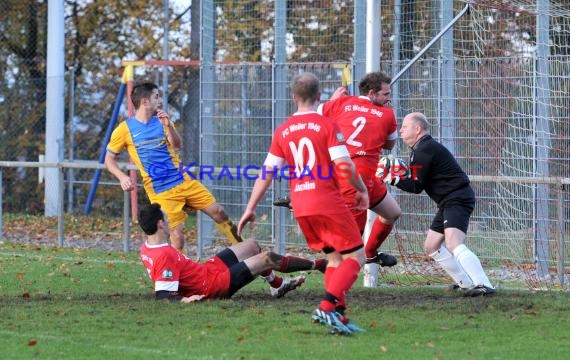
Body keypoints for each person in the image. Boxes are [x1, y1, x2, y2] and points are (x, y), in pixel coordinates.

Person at [238, 72, 369, 335]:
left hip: (302, 205)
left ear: (294, 97)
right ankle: (327, 306)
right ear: (319, 96)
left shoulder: (283, 130)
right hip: (327, 201)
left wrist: (250, 207)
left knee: (334, 259)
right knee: (356, 256)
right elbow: (344, 165)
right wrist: (361, 189)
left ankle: (337, 317)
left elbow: (267, 173)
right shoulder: (326, 125)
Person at [105, 82, 242, 252]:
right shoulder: (124, 129)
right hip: (161, 190)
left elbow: (177, 145)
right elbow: (109, 159)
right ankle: (179, 276)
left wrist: (169, 126)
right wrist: (122, 177)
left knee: (219, 212)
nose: (160, 101)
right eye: (156, 96)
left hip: (182, 179)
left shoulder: (163, 121)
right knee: (177, 236)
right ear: (144, 101)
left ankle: (243, 248)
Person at [388, 112, 495, 296]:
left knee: (454, 244)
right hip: (448, 201)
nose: (401, 130)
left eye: (405, 127)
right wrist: (396, 176)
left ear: (417, 129)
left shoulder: (424, 149)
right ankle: (466, 284)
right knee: (431, 246)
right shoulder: (421, 149)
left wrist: (391, 178)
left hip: (457, 198)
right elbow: (416, 179)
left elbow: (415, 186)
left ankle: (484, 285)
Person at [138, 203, 324, 301]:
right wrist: (184, 300)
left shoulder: (149, 247)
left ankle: (276, 285)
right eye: (166, 218)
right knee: (266, 258)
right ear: (160, 224)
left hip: (205, 271)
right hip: (211, 286)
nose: (170, 221)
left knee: (251, 245)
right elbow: (163, 296)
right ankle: (318, 264)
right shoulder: (163, 255)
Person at [317, 71, 401, 267]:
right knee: (350, 248)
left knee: (392, 212)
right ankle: (335, 289)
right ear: (372, 93)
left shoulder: (341, 103)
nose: (389, 99)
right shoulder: (387, 114)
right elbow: (390, 145)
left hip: (364, 178)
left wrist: (332, 101)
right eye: (386, 94)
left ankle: (371, 253)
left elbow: (316, 117)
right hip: (352, 182)